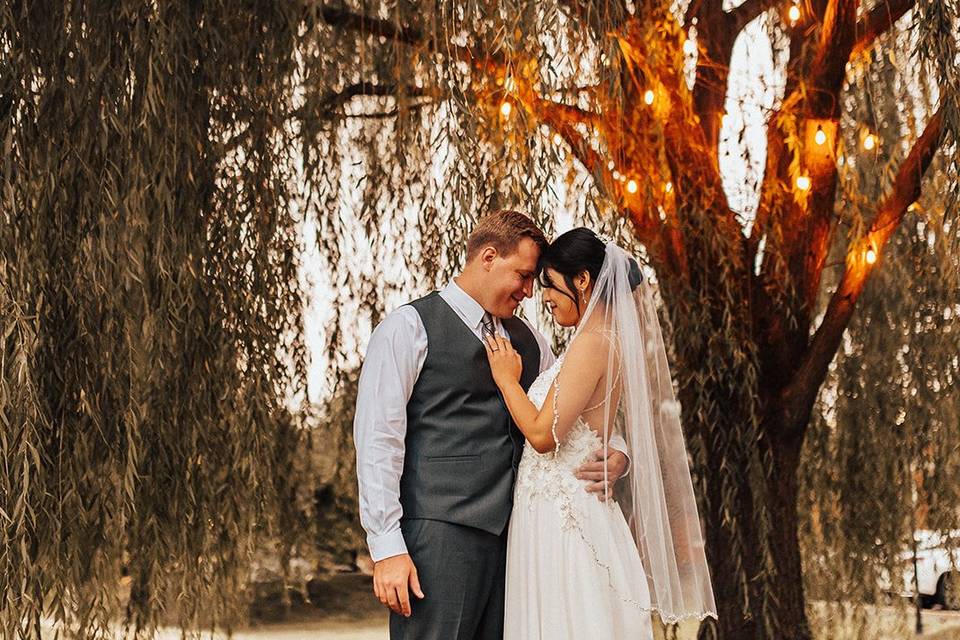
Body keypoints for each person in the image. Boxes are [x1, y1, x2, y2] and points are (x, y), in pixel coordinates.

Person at [353, 211, 631, 640]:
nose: (528, 292)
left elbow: (575, 408)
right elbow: (378, 441)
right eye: (522, 276)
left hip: (520, 541)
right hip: (440, 538)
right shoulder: (408, 328)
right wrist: (387, 548)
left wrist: (617, 450)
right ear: (487, 257)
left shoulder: (530, 340)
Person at [484, 227, 718, 638]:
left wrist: (507, 381)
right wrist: (620, 453)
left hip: (565, 516)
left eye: (551, 285)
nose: (545, 298)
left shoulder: (593, 341)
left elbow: (543, 435)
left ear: (583, 280)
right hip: (557, 508)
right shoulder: (597, 340)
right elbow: (595, 424)